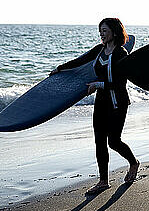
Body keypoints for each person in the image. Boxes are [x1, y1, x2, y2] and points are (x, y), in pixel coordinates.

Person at [50, 18, 139, 195]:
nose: (102, 34)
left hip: (117, 101)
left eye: (104, 30)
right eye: (100, 31)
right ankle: (103, 181)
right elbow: (80, 60)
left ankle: (134, 163)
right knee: (99, 140)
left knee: (114, 141)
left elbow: (121, 83)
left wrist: (99, 85)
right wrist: (60, 68)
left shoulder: (121, 54)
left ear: (114, 31)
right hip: (101, 102)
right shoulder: (100, 50)